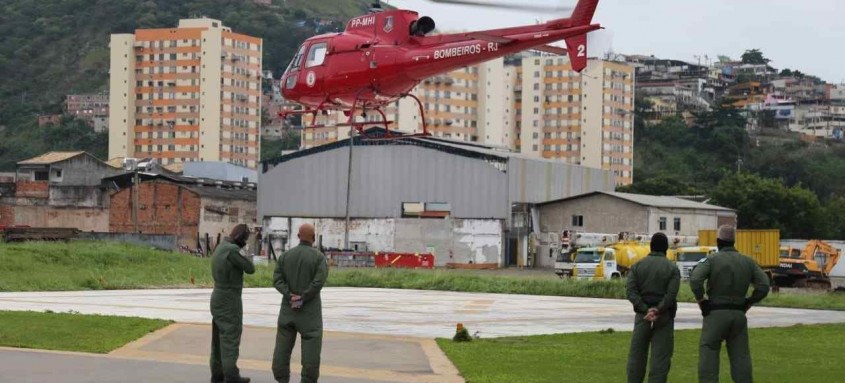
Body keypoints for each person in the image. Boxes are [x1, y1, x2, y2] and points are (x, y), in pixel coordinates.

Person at [690, 225, 770, 383]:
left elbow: (695, 279)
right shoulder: (747, 261)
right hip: (739, 314)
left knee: (709, 351)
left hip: (715, 313)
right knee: (741, 356)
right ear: (733, 241)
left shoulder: (712, 259)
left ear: (718, 241)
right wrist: (749, 301)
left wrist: (701, 299)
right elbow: (764, 285)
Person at [272, 223, 329, 383]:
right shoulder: (319, 258)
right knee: (311, 351)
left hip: (287, 312)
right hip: (309, 314)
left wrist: (290, 295)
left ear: (298, 237)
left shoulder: (285, 256)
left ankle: (281, 378)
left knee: (282, 350)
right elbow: (318, 282)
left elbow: (277, 280)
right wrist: (303, 296)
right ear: (313, 238)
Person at [626, 232, 681, 383]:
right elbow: (671, 295)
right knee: (660, 358)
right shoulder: (672, 268)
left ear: (651, 247)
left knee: (637, 356)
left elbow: (630, 291)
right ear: (666, 248)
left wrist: (645, 309)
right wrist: (658, 309)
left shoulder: (637, 266)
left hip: (642, 316)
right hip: (664, 317)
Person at [210, 224, 255, 383]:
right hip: (229, 299)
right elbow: (250, 268)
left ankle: (217, 374)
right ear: (241, 239)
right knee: (230, 337)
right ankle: (231, 375)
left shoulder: (221, 247)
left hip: (217, 296)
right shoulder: (233, 251)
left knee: (217, 339)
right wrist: (246, 250)